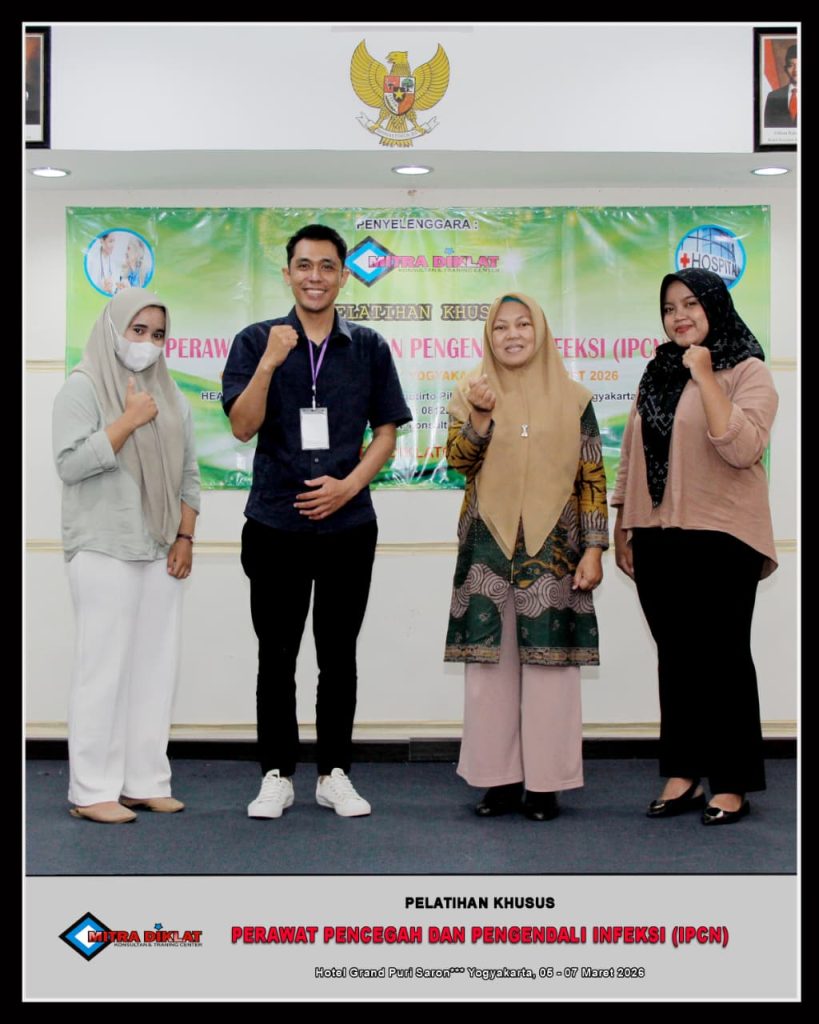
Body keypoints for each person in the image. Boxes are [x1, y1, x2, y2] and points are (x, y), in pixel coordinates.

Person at [222, 224, 411, 820]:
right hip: (274, 523)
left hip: (347, 526)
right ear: (288, 274)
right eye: (304, 265)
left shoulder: (369, 346)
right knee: (275, 656)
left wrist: (349, 486)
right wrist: (269, 363)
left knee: (339, 654)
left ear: (344, 276)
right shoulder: (256, 341)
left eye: (327, 266)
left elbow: (386, 432)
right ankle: (276, 775)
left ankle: (334, 774)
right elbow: (242, 426)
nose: (315, 276)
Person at [612, 268, 778, 826]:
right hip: (656, 534)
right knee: (677, 658)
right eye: (669, 308)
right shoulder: (656, 372)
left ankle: (731, 781)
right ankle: (683, 772)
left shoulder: (748, 370)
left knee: (723, 658)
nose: (678, 316)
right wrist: (624, 522)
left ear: (715, 306)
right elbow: (632, 454)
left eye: (689, 304)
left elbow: (742, 447)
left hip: (723, 534)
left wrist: (706, 377)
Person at [444, 293, 608, 821]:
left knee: (551, 671)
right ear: (488, 337)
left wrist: (594, 548)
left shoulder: (575, 399)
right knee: (488, 672)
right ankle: (497, 781)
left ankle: (545, 784)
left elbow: (592, 478)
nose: (512, 335)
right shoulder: (470, 391)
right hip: (487, 549)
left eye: (522, 325)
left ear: (540, 332)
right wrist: (480, 416)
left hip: (556, 551)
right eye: (500, 327)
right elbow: (457, 463)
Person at [53, 289, 201, 824]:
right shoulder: (83, 386)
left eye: (158, 334)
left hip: (161, 546)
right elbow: (69, 464)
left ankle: (144, 781)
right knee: (103, 669)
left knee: (155, 668)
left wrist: (184, 537)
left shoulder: (171, 394)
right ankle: (92, 790)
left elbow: (188, 473)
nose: (148, 343)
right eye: (138, 331)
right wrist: (127, 421)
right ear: (114, 329)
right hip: (103, 544)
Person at [764, 43, 797, 128]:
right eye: (791, 65)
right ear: (785, 69)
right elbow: (767, 129)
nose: (796, 70)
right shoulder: (773, 96)